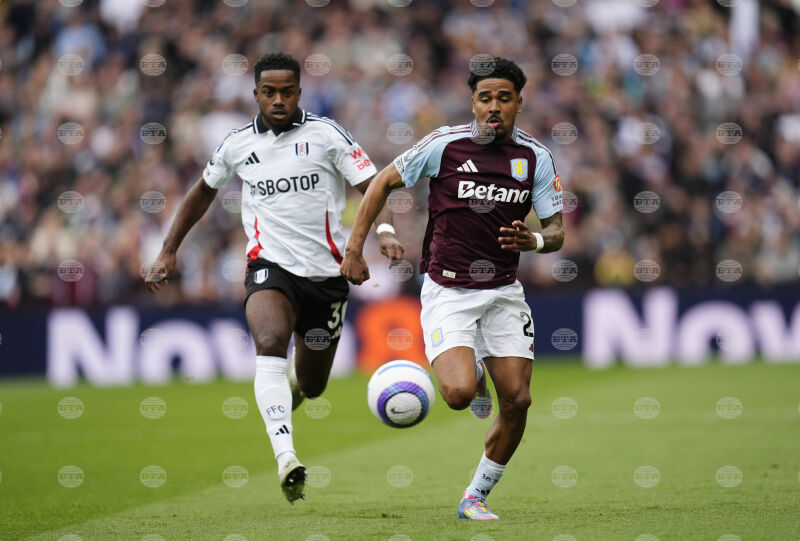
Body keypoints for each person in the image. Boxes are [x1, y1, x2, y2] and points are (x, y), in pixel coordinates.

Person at [145, 53, 404, 504]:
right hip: (270, 266)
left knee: (312, 386)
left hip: (327, 276)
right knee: (268, 342)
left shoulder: (327, 135)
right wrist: (169, 249)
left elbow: (374, 185)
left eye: (287, 92)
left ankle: (291, 390)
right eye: (269, 92)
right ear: (256, 94)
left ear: (299, 92)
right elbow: (202, 192)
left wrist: (383, 233)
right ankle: (287, 458)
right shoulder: (236, 144)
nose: (278, 100)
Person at [340, 57, 564, 520]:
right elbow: (382, 182)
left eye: (504, 98)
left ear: (519, 103)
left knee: (518, 400)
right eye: (485, 98)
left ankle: (475, 496)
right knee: (459, 394)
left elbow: (557, 229)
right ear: (473, 103)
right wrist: (356, 247)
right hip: (448, 290)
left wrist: (537, 241)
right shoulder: (445, 144)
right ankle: (474, 373)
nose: (494, 107)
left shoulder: (535, 157)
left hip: (503, 291)